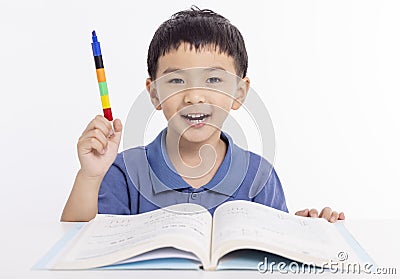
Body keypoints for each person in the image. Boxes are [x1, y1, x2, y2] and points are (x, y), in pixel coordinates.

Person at [61, 6, 345, 223]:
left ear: (239, 93)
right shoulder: (124, 172)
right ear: (155, 94)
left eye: (213, 80)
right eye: (176, 81)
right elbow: (78, 246)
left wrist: (306, 233)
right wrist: (90, 176)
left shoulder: (259, 176)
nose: (194, 96)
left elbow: (272, 253)